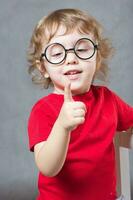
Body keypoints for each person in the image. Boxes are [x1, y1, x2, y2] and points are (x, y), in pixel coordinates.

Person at [27, 8, 133, 200]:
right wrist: (62, 126)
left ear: (97, 58)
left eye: (82, 49)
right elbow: (47, 167)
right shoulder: (43, 110)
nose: (71, 58)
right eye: (58, 53)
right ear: (43, 68)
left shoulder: (108, 98)